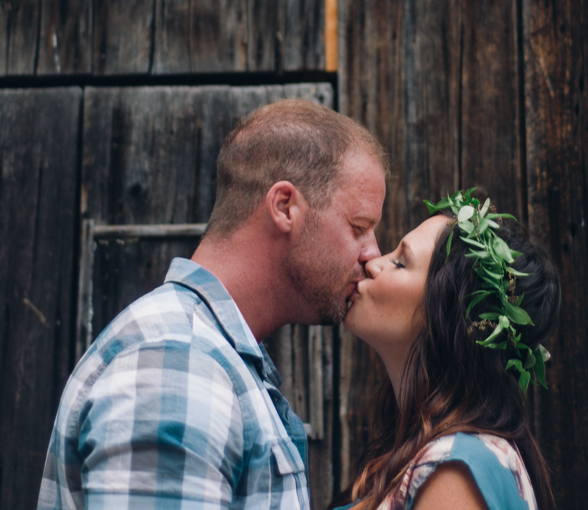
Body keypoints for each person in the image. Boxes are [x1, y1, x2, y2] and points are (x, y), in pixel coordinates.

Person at [38, 99, 388, 510]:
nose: (373, 255)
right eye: (359, 227)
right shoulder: (178, 363)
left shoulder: (209, 357)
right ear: (284, 207)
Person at [339, 189, 559, 510]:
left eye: (400, 262)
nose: (374, 263)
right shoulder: (426, 457)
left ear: (445, 317)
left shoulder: (454, 473)